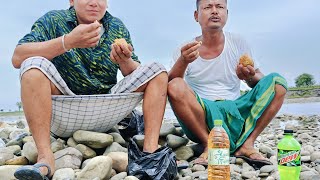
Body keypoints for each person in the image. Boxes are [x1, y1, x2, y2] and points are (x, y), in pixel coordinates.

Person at [12, 0, 168, 179]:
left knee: (157, 70)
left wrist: (124, 60)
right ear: (71, 1)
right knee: (32, 65)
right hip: (64, 108)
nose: (94, 2)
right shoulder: (54, 20)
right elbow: (17, 57)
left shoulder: (116, 26)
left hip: (108, 109)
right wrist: (67, 42)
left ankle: (150, 152)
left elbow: (133, 72)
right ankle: (45, 157)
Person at [168, 0, 287, 168]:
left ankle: (247, 144)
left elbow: (258, 81)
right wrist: (183, 60)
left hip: (235, 111)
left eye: (220, 7)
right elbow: (172, 83)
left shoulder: (238, 42)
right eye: (208, 7)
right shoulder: (186, 48)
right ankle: (209, 143)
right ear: (196, 16)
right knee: (175, 85)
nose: (215, 11)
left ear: (227, 14)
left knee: (278, 82)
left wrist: (248, 76)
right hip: (202, 114)